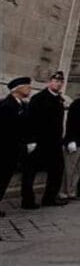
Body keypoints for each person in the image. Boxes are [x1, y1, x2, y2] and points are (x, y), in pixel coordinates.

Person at [21, 71, 68, 209]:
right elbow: (30, 120)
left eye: (60, 82)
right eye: (55, 81)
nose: (58, 84)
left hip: (54, 142)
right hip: (39, 141)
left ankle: (49, 198)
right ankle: (27, 200)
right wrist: (30, 140)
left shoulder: (59, 99)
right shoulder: (39, 98)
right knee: (30, 172)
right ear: (49, 82)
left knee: (57, 170)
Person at [0, 77, 32, 217]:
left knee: (4, 180)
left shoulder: (23, 105)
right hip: (5, 150)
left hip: (16, 150)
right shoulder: (6, 106)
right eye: (27, 86)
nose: (29, 89)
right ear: (17, 89)